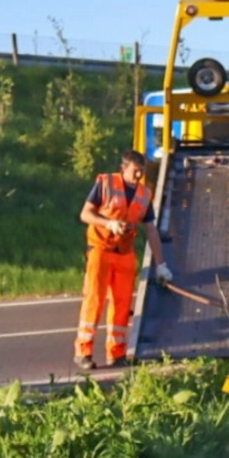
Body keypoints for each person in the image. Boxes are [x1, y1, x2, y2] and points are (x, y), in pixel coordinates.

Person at [74, 150, 173, 370]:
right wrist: (108, 223)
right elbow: (86, 214)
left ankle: (117, 353)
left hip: (125, 254)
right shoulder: (105, 184)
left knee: (123, 305)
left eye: (141, 172)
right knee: (94, 301)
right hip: (100, 250)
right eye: (135, 171)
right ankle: (84, 352)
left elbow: (151, 230)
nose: (139, 176)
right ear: (124, 168)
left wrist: (161, 264)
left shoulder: (144, 194)